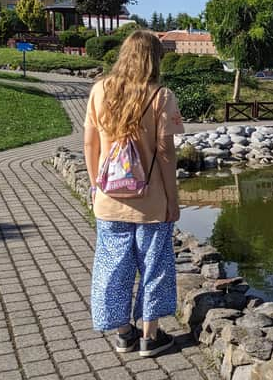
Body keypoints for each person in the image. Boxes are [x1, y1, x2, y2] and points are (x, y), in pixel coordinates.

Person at [83, 30, 185, 357]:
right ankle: (149, 337)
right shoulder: (162, 97)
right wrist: (173, 199)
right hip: (151, 202)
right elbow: (166, 155)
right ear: (154, 59)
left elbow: (89, 143)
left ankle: (123, 333)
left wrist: (97, 183)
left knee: (112, 266)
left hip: (110, 200)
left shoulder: (100, 90)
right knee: (154, 266)